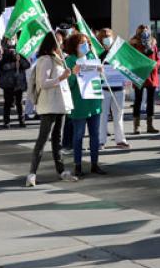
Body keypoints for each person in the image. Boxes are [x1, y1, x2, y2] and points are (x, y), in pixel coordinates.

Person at [26, 33, 78, 186]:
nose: (62, 46)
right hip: (49, 104)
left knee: (57, 139)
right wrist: (62, 77)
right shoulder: (45, 60)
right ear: (53, 45)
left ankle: (61, 170)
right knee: (43, 139)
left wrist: (69, 75)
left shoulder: (58, 60)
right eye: (60, 43)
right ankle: (32, 173)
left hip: (60, 104)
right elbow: (43, 83)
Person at [65, 32, 105, 177]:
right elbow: (67, 85)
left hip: (94, 103)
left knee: (95, 135)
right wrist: (73, 74)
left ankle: (95, 164)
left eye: (87, 43)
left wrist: (100, 73)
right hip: (79, 104)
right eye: (82, 43)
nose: (85, 45)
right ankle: (78, 166)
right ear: (74, 46)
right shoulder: (70, 61)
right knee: (78, 136)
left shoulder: (92, 58)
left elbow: (98, 82)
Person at [95, 28, 129, 149]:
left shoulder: (117, 52)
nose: (107, 39)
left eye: (109, 36)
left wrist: (127, 80)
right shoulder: (97, 53)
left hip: (119, 88)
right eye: (104, 37)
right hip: (104, 89)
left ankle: (120, 140)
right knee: (103, 116)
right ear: (100, 39)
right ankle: (100, 141)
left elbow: (124, 67)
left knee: (118, 115)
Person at [130, 25, 159, 133]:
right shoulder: (134, 44)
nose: (145, 33)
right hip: (139, 76)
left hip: (151, 76)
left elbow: (157, 58)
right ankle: (136, 126)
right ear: (138, 33)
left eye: (146, 31)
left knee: (151, 101)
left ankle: (150, 125)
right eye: (142, 32)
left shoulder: (153, 44)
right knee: (138, 100)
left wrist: (156, 65)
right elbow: (131, 59)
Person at [0, 37, 29, 128]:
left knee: (19, 102)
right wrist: (13, 64)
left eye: (13, 38)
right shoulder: (3, 52)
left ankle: (21, 121)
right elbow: (1, 66)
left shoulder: (21, 51)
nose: (11, 41)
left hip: (19, 82)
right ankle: (6, 122)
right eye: (10, 39)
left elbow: (27, 65)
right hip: (8, 82)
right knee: (7, 102)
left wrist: (20, 60)